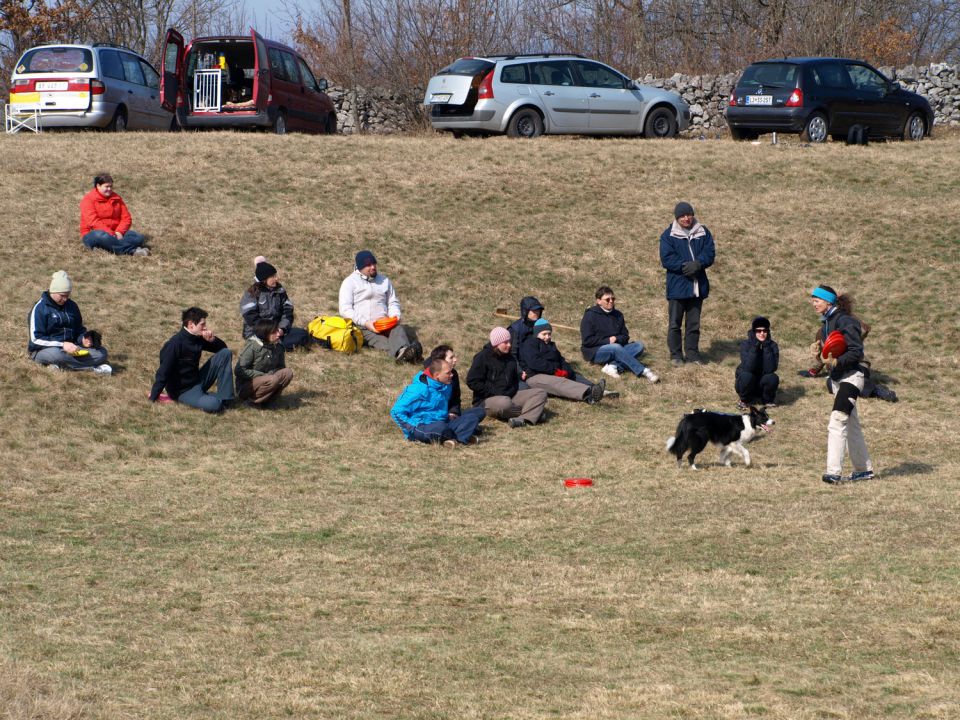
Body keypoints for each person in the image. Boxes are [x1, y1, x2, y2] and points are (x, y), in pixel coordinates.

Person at [811, 285, 874, 484]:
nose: (813, 303)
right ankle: (864, 470)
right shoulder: (827, 323)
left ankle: (833, 472)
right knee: (852, 425)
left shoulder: (845, 321)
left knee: (837, 421)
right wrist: (819, 355)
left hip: (852, 378)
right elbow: (831, 353)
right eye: (813, 299)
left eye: (817, 299)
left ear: (828, 301)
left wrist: (838, 362)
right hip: (838, 379)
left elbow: (856, 351)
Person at [802, 301, 898, 403]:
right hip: (837, 369)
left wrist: (847, 317)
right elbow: (825, 357)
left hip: (856, 365)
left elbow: (865, 330)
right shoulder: (821, 333)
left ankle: (876, 390)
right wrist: (814, 368)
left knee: (852, 383)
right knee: (831, 384)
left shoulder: (846, 323)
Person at [338, 250, 421, 363]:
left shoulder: (384, 281)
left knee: (398, 329)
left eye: (374, 264)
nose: (373, 267)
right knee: (380, 341)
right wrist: (366, 323)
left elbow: (392, 302)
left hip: (386, 323)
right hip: (363, 326)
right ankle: (404, 353)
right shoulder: (349, 283)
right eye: (368, 265)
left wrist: (395, 316)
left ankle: (406, 352)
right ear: (359, 267)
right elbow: (345, 310)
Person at [659, 201, 715, 366]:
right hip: (677, 287)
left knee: (694, 324)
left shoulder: (703, 232)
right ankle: (676, 355)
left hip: (697, 287)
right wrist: (685, 267)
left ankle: (693, 354)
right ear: (677, 218)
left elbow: (710, 252)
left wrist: (699, 263)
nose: (686, 218)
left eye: (688, 214)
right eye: (682, 216)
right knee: (675, 324)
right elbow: (667, 259)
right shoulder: (668, 235)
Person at [149, 307, 235, 413]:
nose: (205, 328)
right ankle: (213, 400)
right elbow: (163, 373)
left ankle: (225, 399)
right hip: (183, 391)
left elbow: (223, 349)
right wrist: (153, 397)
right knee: (214, 405)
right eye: (202, 324)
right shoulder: (174, 344)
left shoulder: (198, 338)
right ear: (191, 324)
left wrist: (212, 340)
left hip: (197, 380)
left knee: (225, 353)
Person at [28, 270, 112, 374]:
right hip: (45, 350)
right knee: (57, 355)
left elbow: (79, 330)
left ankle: (57, 366)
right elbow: (36, 339)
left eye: (67, 295)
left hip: (72, 349)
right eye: (62, 295)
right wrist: (62, 345)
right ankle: (92, 369)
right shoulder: (39, 309)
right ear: (53, 291)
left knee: (102, 353)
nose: (65, 299)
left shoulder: (72, 306)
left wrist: (84, 339)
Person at [466, 327, 548, 428]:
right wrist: (493, 391)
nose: (509, 345)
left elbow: (514, 381)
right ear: (496, 343)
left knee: (540, 393)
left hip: (510, 396)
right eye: (505, 342)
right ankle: (534, 414)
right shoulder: (482, 357)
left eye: (509, 341)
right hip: (487, 399)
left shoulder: (511, 359)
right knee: (504, 403)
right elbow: (472, 382)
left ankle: (523, 419)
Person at [391, 357, 483, 446]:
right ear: (437, 375)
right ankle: (462, 436)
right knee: (441, 428)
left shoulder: (445, 386)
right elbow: (396, 411)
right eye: (448, 373)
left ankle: (454, 438)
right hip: (423, 426)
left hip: (443, 422)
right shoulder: (418, 390)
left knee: (473, 417)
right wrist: (413, 428)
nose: (452, 375)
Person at [579, 286, 659, 382]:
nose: (611, 301)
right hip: (595, 351)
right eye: (607, 299)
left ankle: (613, 366)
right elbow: (587, 341)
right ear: (599, 301)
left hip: (617, 347)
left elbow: (625, 336)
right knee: (615, 347)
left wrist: (616, 339)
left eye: (613, 299)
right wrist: (607, 341)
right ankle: (644, 371)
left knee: (639, 346)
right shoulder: (590, 315)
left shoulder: (618, 315)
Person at [520, 318, 605, 404]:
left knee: (573, 375)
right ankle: (588, 394)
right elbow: (534, 362)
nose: (547, 337)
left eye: (549, 334)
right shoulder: (529, 344)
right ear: (536, 334)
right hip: (535, 376)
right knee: (559, 382)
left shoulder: (551, 345)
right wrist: (555, 371)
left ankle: (596, 388)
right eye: (544, 334)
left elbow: (561, 360)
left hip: (552, 373)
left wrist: (566, 370)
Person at [240, 258, 312, 350]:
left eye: (275, 275)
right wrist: (270, 331)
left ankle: (276, 343)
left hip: (277, 330)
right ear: (264, 279)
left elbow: (287, 311)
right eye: (273, 277)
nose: (276, 278)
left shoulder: (280, 290)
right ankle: (269, 344)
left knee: (303, 334)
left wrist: (282, 329)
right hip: (258, 332)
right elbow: (251, 317)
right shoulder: (252, 293)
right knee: (295, 341)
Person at [79, 173, 149, 256]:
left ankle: (107, 247)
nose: (109, 189)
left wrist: (119, 232)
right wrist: (111, 234)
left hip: (116, 233)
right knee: (101, 235)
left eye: (111, 186)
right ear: (98, 186)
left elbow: (126, 218)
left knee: (138, 237)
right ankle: (132, 251)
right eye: (106, 186)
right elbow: (93, 222)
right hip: (94, 234)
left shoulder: (116, 198)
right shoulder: (88, 200)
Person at [424, 344, 487, 427]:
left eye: (454, 357)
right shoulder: (428, 378)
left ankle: (461, 424)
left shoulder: (453, 374)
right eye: (451, 358)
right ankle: (462, 426)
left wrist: (453, 412)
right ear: (441, 361)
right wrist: (444, 415)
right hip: (435, 417)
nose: (455, 360)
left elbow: (456, 399)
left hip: (450, 414)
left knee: (480, 411)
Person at [235, 319, 294, 406]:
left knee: (287, 373)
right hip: (246, 386)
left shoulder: (279, 347)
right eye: (274, 332)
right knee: (272, 379)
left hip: (268, 379)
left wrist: (270, 374)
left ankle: (268, 401)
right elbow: (239, 370)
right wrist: (263, 375)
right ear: (265, 333)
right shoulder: (252, 348)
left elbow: (281, 367)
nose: (278, 334)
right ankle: (251, 402)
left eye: (278, 330)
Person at [735, 316, 780, 408]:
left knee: (773, 377)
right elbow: (748, 367)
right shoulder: (745, 344)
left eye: (765, 331)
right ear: (754, 332)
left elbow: (770, 369)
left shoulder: (772, 345)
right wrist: (755, 347)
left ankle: (767, 400)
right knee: (746, 375)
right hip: (747, 382)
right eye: (758, 331)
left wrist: (766, 347)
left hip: (761, 383)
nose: (762, 333)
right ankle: (744, 400)